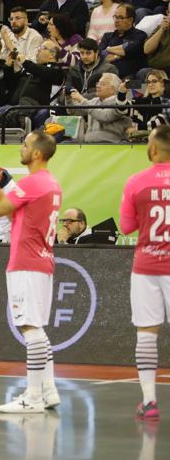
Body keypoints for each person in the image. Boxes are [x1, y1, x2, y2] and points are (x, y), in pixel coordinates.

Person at [0, 130, 62, 414]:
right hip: (42, 261)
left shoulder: (33, 183)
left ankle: (33, 396)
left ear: (37, 153)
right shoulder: (50, 183)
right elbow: (16, 211)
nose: (20, 149)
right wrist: (0, 182)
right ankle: (49, 391)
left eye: (25, 145)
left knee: (30, 328)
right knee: (36, 327)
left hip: (26, 262)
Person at [118, 124, 170, 420]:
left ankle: (149, 402)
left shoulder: (136, 181)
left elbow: (126, 227)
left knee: (147, 332)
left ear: (152, 149)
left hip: (147, 264)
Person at [68, 73, 131, 144]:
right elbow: (75, 111)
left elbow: (105, 117)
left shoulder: (120, 104)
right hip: (88, 145)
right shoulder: (94, 101)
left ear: (112, 89)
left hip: (111, 145)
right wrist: (68, 99)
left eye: (102, 84)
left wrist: (82, 100)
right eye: (98, 83)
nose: (98, 86)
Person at [98, 4, 148, 79]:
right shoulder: (107, 36)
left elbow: (128, 50)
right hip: (108, 78)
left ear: (130, 20)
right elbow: (100, 56)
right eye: (115, 17)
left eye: (121, 18)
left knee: (138, 84)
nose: (117, 21)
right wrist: (117, 55)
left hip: (132, 78)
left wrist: (108, 49)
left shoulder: (140, 35)